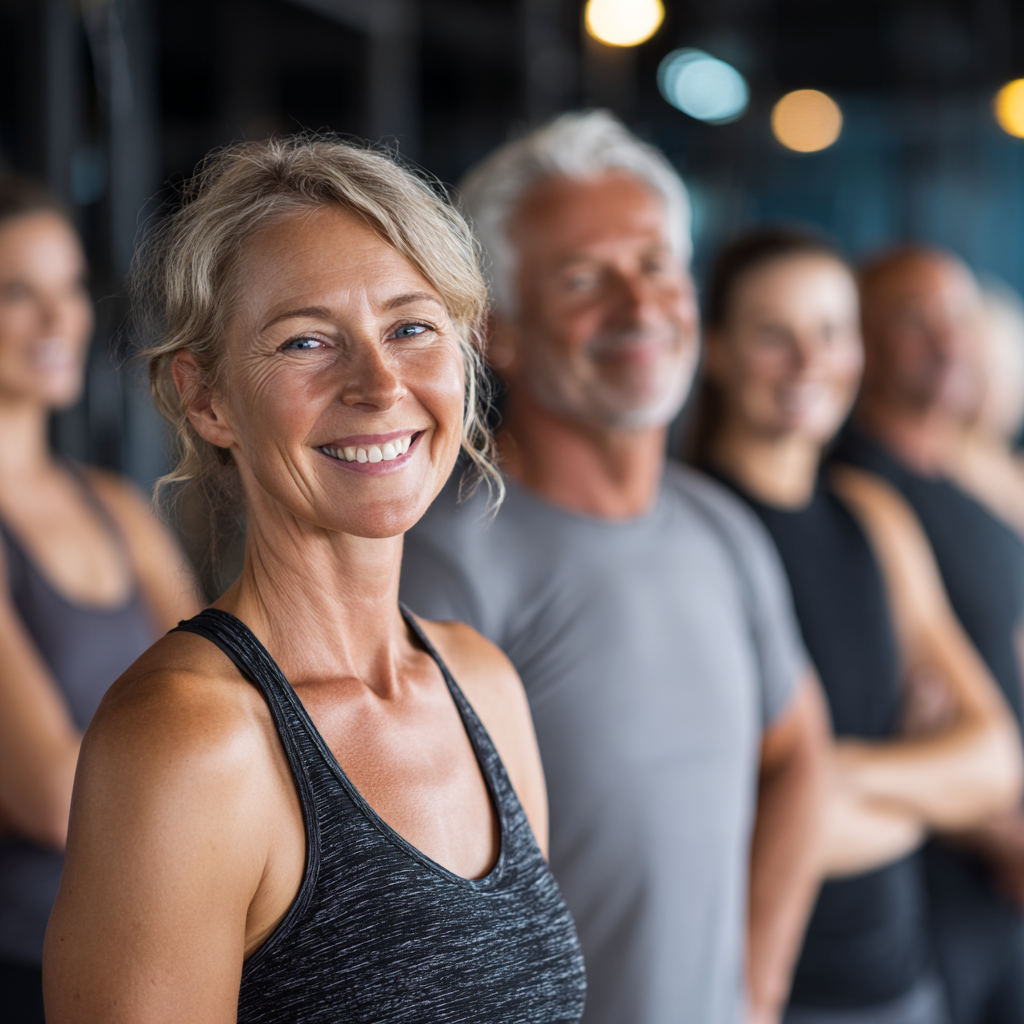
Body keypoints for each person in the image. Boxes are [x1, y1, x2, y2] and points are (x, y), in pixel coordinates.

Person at [43, 137, 587, 1024]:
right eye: (306, 341)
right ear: (207, 399)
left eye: (412, 328)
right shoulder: (190, 743)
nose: (379, 385)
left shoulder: (482, 682)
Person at [400, 111, 828, 1024]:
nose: (638, 308)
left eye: (654, 265)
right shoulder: (447, 562)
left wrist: (756, 990)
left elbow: (801, 751)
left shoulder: (721, 528)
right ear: (497, 334)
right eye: (583, 280)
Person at [693, 227, 1023, 1024]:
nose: (811, 361)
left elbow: (991, 759)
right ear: (717, 351)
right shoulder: (694, 532)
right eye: (776, 334)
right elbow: (708, 829)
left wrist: (817, 776)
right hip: (770, 987)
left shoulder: (872, 517)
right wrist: (922, 790)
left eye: (831, 332)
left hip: (904, 981)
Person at [0, 176, 199, 1023]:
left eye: (69, 288)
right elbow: (50, 795)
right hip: (32, 971)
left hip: (172, 957)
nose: (59, 321)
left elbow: (237, 702)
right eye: (17, 292)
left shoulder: (116, 507)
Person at [835, 245, 1024, 1024]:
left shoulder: (966, 479)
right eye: (917, 322)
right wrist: (1008, 840)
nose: (949, 341)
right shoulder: (859, 495)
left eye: (957, 318)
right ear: (865, 344)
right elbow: (890, 717)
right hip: (934, 895)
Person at [945, 281, 1024, 538]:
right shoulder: (944, 468)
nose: (991, 386)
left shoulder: (1012, 470)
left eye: (1007, 368)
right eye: (979, 368)